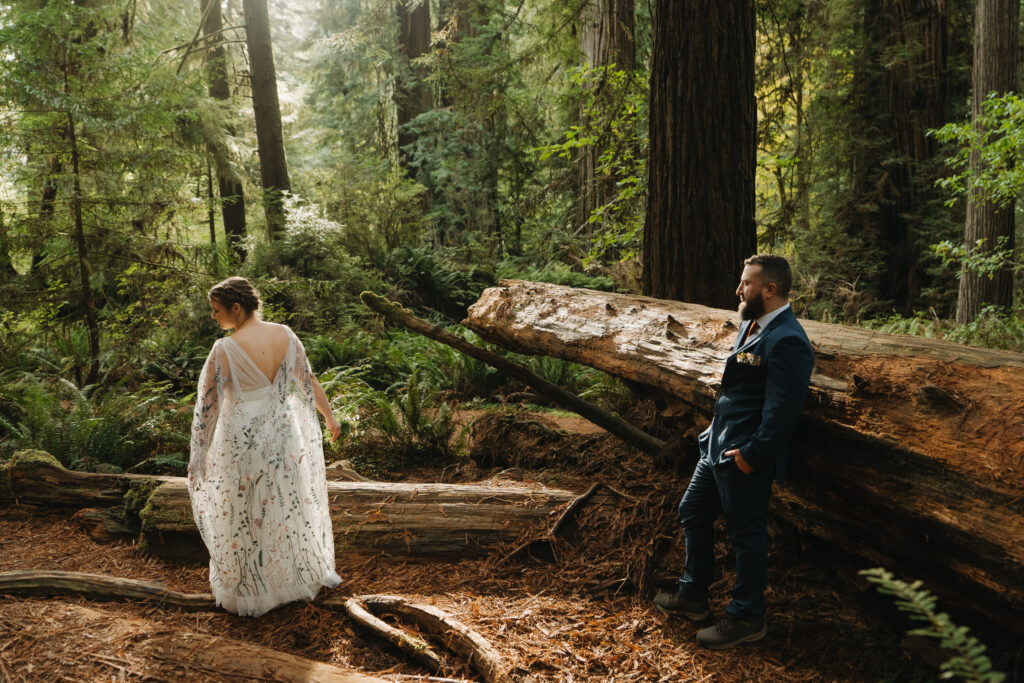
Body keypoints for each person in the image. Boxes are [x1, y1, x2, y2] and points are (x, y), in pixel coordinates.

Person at [654, 254, 814, 650]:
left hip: (743, 457)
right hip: (717, 447)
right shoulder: (751, 324)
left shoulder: (788, 340)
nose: (739, 290)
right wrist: (714, 431)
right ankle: (693, 596)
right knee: (692, 511)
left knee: (746, 537)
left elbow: (782, 413)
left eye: (746, 284)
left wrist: (750, 455)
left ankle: (747, 617)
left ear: (770, 290)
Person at [187, 276, 343, 617]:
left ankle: (254, 587)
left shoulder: (224, 350)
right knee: (285, 506)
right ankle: (288, 579)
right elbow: (307, 380)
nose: (214, 318)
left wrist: (198, 455)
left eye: (217, 311)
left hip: (243, 441)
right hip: (284, 438)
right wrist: (330, 417)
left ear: (237, 309)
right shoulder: (285, 335)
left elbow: (208, 407)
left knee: (247, 511)